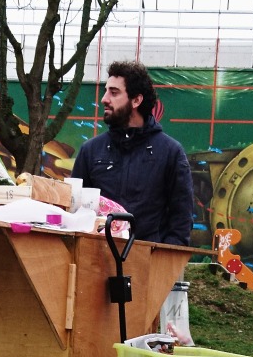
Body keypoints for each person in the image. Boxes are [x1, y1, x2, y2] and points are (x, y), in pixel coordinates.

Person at [74, 60, 196, 247]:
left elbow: (181, 218)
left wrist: (163, 261)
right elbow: (75, 209)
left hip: (150, 265)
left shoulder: (170, 152)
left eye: (114, 93)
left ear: (136, 100)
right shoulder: (90, 151)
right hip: (96, 261)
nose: (104, 99)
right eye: (106, 91)